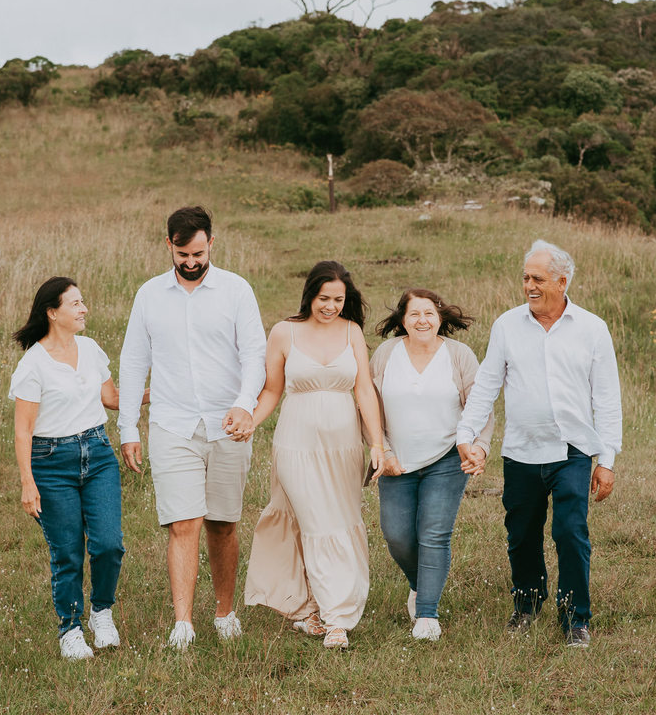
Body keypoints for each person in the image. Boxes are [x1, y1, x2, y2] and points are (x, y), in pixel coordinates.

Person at [456, 240, 622, 649]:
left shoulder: (592, 329)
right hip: (521, 451)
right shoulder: (507, 325)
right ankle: (527, 603)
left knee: (570, 532)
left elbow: (606, 397)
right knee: (522, 533)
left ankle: (575, 618)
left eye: (538, 278)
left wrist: (608, 459)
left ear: (562, 282)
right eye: (525, 277)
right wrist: (466, 435)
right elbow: (487, 386)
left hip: (573, 451)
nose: (528, 285)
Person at [118, 206, 267, 651]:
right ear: (169, 245)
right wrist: (129, 426)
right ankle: (183, 623)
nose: (190, 262)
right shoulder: (148, 296)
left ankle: (225, 612)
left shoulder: (237, 291)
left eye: (198, 252)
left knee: (223, 523)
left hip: (228, 425)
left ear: (211, 244)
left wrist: (244, 406)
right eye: (182, 253)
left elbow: (254, 355)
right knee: (183, 523)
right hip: (172, 423)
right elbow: (133, 361)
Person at [241, 261, 385, 650]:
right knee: (311, 519)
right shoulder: (284, 332)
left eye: (339, 300)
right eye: (324, 298)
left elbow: (365, 391)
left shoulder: (352, 332)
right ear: (310, 295)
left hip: (343, 447)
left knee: (339, 519)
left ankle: (316, 611)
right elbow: (271, 390)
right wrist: (251, 422)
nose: (331, 307)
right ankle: (336, 617)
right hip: (296, 444)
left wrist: (377, 443)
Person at [10, 276, 128, 660]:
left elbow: (111, 397)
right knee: (68, 551)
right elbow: (23, 430)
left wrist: (157, 393)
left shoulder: (91, 349)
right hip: (51, 463)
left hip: (97, 453)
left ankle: (101, 612)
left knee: (109, 544)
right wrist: (28, 483)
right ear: (52, 313)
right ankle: (71, 629)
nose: (84, 309)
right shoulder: (33, 365)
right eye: (75, 304)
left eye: (82, 302)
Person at [371, 288, 494, 642]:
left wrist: (479, 447)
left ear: (440, 317)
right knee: (397, 536)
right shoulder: (385, 355)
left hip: (446, 457)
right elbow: (369, 407)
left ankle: (427, 614)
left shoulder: (459, 355)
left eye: (429, 313)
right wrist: (382, 449)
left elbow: (480, 406)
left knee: (434, 533)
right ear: (402, 320)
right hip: (397, 461)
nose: (422, 320)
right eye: (414, 314)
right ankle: (419, 584)